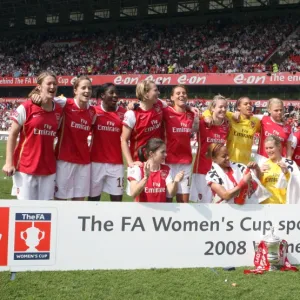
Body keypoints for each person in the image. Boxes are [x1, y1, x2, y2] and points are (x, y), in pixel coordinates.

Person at [33, 76, 96, 200]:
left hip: (84, 162)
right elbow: (46, 97)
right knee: (60, 200)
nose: (87, 91)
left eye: (89, 88)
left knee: (79, 201)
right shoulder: (64, 103)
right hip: (64, 159)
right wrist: (35, 95)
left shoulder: (93, 112)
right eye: (83, 88)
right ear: (75, 90)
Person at [2, 71, 63, 200]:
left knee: (46, 212)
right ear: (39, 86)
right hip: (25, 167)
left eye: (55, 84)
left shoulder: (59, 109)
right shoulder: (26, 107)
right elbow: (12, 134)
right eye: (49, 84)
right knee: (25, 212)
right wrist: (9, 163)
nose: (52, 87)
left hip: (48, 169)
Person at [89, 83, 126, 201]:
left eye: (116, 93)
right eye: (111, 93)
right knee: (93, 201)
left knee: (117, 201)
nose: (115, 96)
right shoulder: (93, 111)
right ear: (102, 95)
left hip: (116, 164)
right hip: (95, 163)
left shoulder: (124, 113)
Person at [190, 95, 230, 203]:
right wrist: (202, 116)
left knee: (218, 204)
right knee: (202, 206)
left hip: (219, 171)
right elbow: (190, 128)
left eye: (225, 107)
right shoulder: (202, 123)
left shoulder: (227, 126)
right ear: (212, 108)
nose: (223, 109)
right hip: (202, 170)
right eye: (220, 107)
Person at [163, 85, 197, 203]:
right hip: (168, 162)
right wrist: (133, 105)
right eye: (178, 93)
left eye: (183, 93)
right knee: (167, 201)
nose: (181, 95)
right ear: (172, 97)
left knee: (183, 203)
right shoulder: (166, 111)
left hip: (185, 162)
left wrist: (190, 108)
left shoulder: (191, 114)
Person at [203, 96, 260, 165]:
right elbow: (209, 110)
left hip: (246, 163)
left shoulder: (256, 121)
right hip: (230, 161)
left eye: (250, 104)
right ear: (238, 107)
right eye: (245, 104)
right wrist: (207, 116)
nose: (249, 105)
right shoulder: (230, 116)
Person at [121, 80, 164, 167]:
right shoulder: (132, 114)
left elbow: (176, 106)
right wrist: (130, 163)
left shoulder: (159, 105)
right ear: (146, 94)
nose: (158, 92)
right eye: (155, 90)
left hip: (156, 163)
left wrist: (188, 107)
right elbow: (124, 140)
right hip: (139, 163)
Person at [127, 138, 184, 202]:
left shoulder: (166, 169)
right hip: (142, 211)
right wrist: (145, 178)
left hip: (161, 211)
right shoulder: (138, 169)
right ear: (151, 154)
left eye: (165, 152)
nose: (166, 154)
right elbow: (133, 193)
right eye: (162, 152)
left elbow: (172, 193)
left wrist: (176, 182)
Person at [258, 135, 299, 204]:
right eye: (266, 148)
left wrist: (286, 173)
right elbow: (255, 188)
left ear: (279, 147)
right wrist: (258, 173)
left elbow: (296, 185)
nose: (268, 151)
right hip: (264, 207)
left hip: (281, 207)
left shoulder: (289, 164)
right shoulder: (262, 163)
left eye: (271, 148)